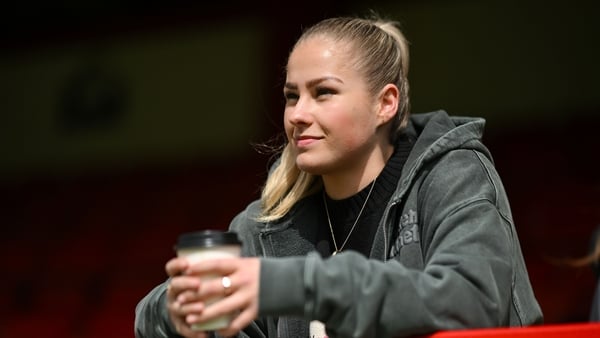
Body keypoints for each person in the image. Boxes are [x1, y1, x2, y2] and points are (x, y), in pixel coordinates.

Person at [135, 13, 543, 338]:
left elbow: (470, 302)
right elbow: (149, 318)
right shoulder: (270, 222)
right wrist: (178, 313)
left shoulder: (452, 175)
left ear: (385, 103)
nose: (297, 114)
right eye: (292, 96)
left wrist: (295, 285)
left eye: (323, 92)